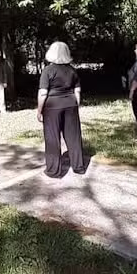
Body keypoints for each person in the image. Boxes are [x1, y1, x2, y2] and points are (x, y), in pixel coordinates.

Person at [36, 42, 85, 178]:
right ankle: (78, 167)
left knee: (52, 137)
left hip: (52, 106)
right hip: (70, 104)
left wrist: (39, 110)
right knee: (73, 136)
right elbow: (77, 90)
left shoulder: (48, 71)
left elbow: (43, 93)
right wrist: (75, 105)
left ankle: (53, 170)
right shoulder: (72, 70)